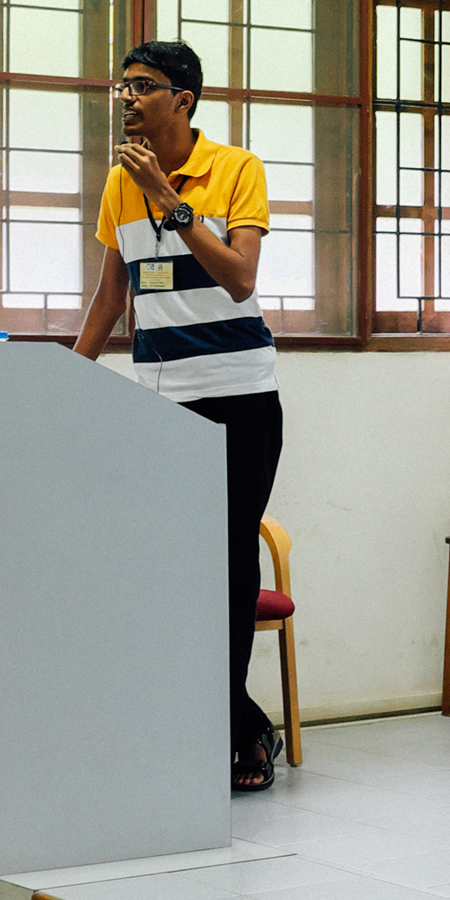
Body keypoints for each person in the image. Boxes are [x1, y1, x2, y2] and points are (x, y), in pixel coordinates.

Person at [73, 41, 285, 793]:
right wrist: (65, 383)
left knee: (228, 566)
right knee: (167, 570)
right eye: (123, 85)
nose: (127, 98)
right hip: (161, 405)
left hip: (239, 399)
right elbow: (111, 298)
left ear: (184, 100)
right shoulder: (118, 183)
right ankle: (228, 721)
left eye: (143, 86)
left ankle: (238, 733)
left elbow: (239, 279)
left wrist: (169, 198)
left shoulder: (236, 169)